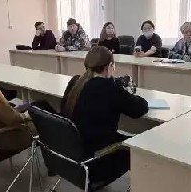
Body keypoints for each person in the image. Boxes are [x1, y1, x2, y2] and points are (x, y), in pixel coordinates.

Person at [62, 46, 148, 181]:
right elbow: (140, 109)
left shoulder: (76, 82)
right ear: (110, 66)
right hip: (98, 159)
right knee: (143, 147)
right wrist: (126, 92)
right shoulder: (109, 87)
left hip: (74, 154)